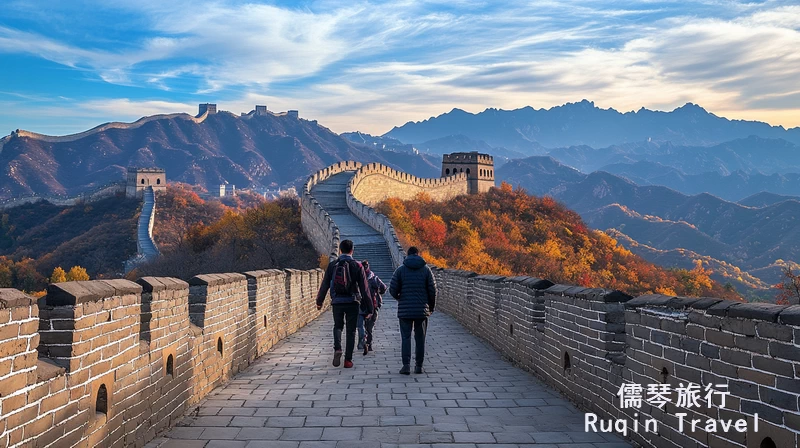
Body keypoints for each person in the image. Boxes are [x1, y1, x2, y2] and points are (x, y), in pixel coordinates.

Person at [316, 239, 374, 368]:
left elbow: (325, 284)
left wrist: (319, 302)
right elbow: (365, 289)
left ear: (340, 250)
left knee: (338, 326)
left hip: (337, 302)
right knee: (351, 330)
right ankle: (348, 360)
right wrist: (370, 308)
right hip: (353, 302)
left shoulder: (333, 265)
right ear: (352, 250)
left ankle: (337, 348)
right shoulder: (357, 266)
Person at [389, 246, 437, 374]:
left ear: (407, 255)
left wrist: (399, 298)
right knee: (420, 338)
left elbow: (392, 289)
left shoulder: (400, 270)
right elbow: (433, 291)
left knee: (406, 338)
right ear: (418, 254)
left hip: (405, 311)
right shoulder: (426, 270)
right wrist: (430, 307)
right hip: (421, 310)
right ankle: (419, 366)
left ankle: (406, 366)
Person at [357, 260, 386, 356]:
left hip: (361, 305)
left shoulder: (358, 278)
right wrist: (378, 293)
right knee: (370, 327)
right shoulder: (374, 278)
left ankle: (362, 341)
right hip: (373, 305)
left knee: (361, 325)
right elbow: (384, 287)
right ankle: (368, 344)